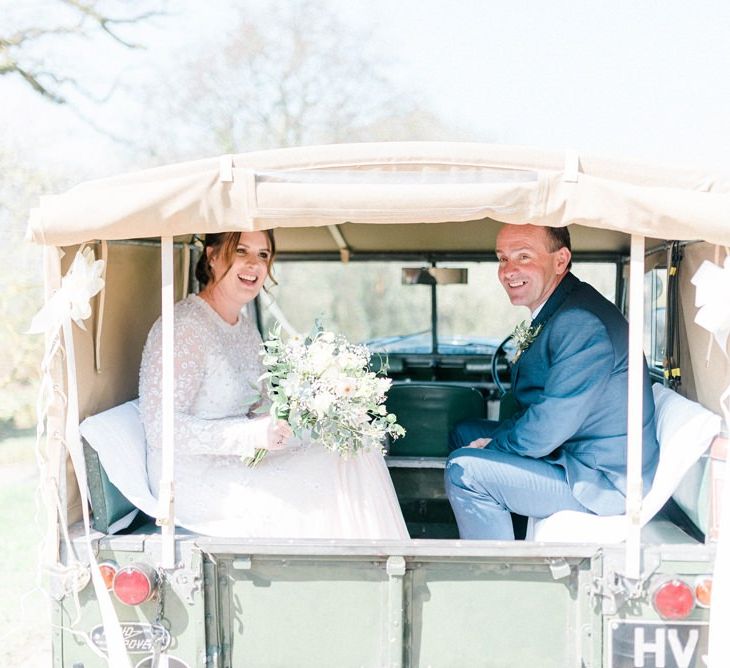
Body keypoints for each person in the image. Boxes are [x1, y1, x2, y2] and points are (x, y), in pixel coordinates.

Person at [139, 230, 408, 539]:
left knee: (356, 448)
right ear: (212, 255)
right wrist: (248, 434)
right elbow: (160, 428)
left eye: (263, 255)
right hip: (193, 482)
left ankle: (381, 575)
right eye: (241, 251)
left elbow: (260, 403)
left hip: (237, 458)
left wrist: (320, 410)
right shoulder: (184, 328)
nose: (254, 264)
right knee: (333, 473)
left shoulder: (244, 328)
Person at [444, 224, 660, 540]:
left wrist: (495, 445)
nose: (508, 271)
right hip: (571, 451)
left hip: (598, 479)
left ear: (560, 261)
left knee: (464, 471)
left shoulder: (581, 323)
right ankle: (506, 536)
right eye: (503, 259)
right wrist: (493, 442)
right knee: (464, 433)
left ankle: (493, 576)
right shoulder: (563, 309)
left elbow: (548, 427)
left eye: (524, 257)